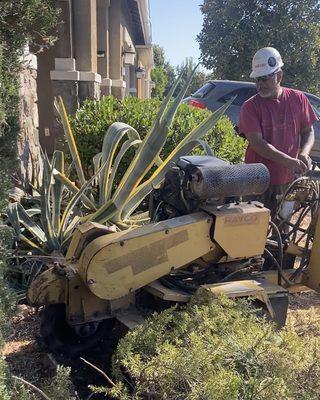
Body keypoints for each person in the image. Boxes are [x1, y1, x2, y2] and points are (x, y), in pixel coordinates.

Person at [239, 47, 318, 216]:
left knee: (282, 229)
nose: (259, 85)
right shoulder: (250, 106)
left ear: (279, 76)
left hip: (287, 181)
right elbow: (257, 143)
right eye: (257, 80)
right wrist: (288, 160)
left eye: (264, 79)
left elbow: (308, 131)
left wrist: (304, 153)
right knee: (252, 232)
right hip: (256, 183)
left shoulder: (298, 99)